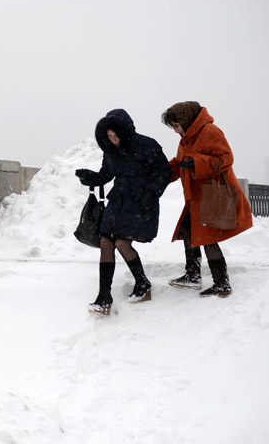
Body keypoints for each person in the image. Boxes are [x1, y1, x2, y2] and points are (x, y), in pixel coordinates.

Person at [76, 109, 171, 316]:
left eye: (116, 135)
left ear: (125, 130)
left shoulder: (148, 145)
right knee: (105, 242)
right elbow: (105, 175)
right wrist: (89, 177)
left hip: (140, 201)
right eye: (109, 137)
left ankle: (143, 283)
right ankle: (104, 296)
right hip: (118, 200)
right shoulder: (110, 151)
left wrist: (152, 192)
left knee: (121, 242)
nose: (113, 140)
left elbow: (165, 171)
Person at [161, 101, 253, 297]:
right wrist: (163, 172)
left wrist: (196, 164)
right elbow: (181, 162)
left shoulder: (210, 131)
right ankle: (193, 275)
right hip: (196, 198)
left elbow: (226, 159)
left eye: (176, 125)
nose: (175, 130)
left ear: (185, 120)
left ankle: (222, 283)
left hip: (212, 195)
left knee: (209, 238)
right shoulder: (186, 138)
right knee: (189, 230)